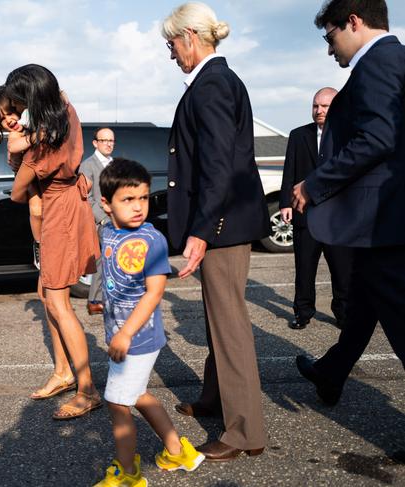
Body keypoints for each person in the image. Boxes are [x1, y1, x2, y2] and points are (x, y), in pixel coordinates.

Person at [162, 2, 269, 461]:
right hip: (222, 224)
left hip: (221, 227)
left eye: (171, 44)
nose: (171, 55)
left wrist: (202, 230)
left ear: (190, 37)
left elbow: (219, 167)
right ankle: (215, 398)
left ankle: (244, 431)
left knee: (229, 326)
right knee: (214, 317)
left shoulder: (211, 85)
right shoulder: (216, 81)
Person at [292, 0, 405, 406]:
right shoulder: (397, 58)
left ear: (353, 22)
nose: (329, 48)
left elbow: (377, 139)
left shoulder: (377, 63)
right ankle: (331, 371)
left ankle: (331, 370)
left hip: (386, 222)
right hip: (383, 221)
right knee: (362, 299)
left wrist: (315, 183)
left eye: (330, 36)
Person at [93, 158, 204, 487]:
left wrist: (125, 334)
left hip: (138, 337)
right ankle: (177, 451)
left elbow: (154, 293)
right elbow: (109, 270)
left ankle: (128, 475)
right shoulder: (108, 231)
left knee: (116, 401)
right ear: (106, 204)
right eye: (128, 199)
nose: (138, 206)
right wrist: (97, 298)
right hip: (122, 333)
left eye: (142, 197)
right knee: (138, 394)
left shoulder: (151, 240)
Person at [6, 64, 102, 419]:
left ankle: (87, 389)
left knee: (59, 300)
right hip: (63, 204)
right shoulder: (65, 112)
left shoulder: (45, 142)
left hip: (59, 211)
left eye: (21, 100)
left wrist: (21, 146)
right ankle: (63, 372)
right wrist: (27, 136)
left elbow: (17, 191)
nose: (18, 108)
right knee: (47, 293)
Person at [279, 87, 353, 330]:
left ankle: (343, 314)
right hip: (305, 214)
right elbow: (289, 171)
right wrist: (285, 203)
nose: (319, 111)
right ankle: (303, 313)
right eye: (315, 106)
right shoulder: (298, 135)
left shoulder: (349, 135)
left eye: (325, 106)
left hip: (338, 218)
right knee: (304, 269)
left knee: (342, 271)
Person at [0, 87, 43, 269]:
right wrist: (35, 138)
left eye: (10, 113)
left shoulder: (34, 121)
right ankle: (39, 244)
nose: (8, 120)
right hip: (30, 178)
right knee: (36, 209)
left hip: (42, 175)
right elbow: (13, 148)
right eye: (2, 119)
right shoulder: (16, 133)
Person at [80, 127, 115, 316]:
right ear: (95, 143)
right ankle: (95, 300)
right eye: (104, 140)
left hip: (118, 219)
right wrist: (102, 220)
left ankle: (112, 297)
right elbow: (86, 197)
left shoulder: (114, 164)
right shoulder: (88, 165)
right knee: (102, 261)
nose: (109, 144)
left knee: (116, 260)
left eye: (111, 140)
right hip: (102, 221)